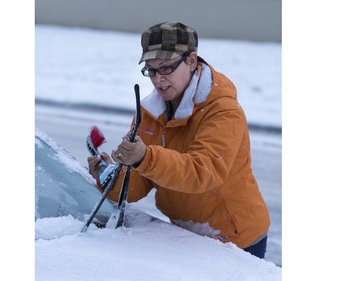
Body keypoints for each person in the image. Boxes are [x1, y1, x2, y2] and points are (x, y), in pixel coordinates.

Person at [88, 21, 270, 259]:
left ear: (191, 61)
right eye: (150, 70)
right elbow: (140, 183)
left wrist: (145, 157)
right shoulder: (150, 113)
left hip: (236, 239)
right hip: (186, 236)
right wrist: (110, 175)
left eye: (165, 68)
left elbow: (203, 171)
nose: (157, 79)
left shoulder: (223, 111)